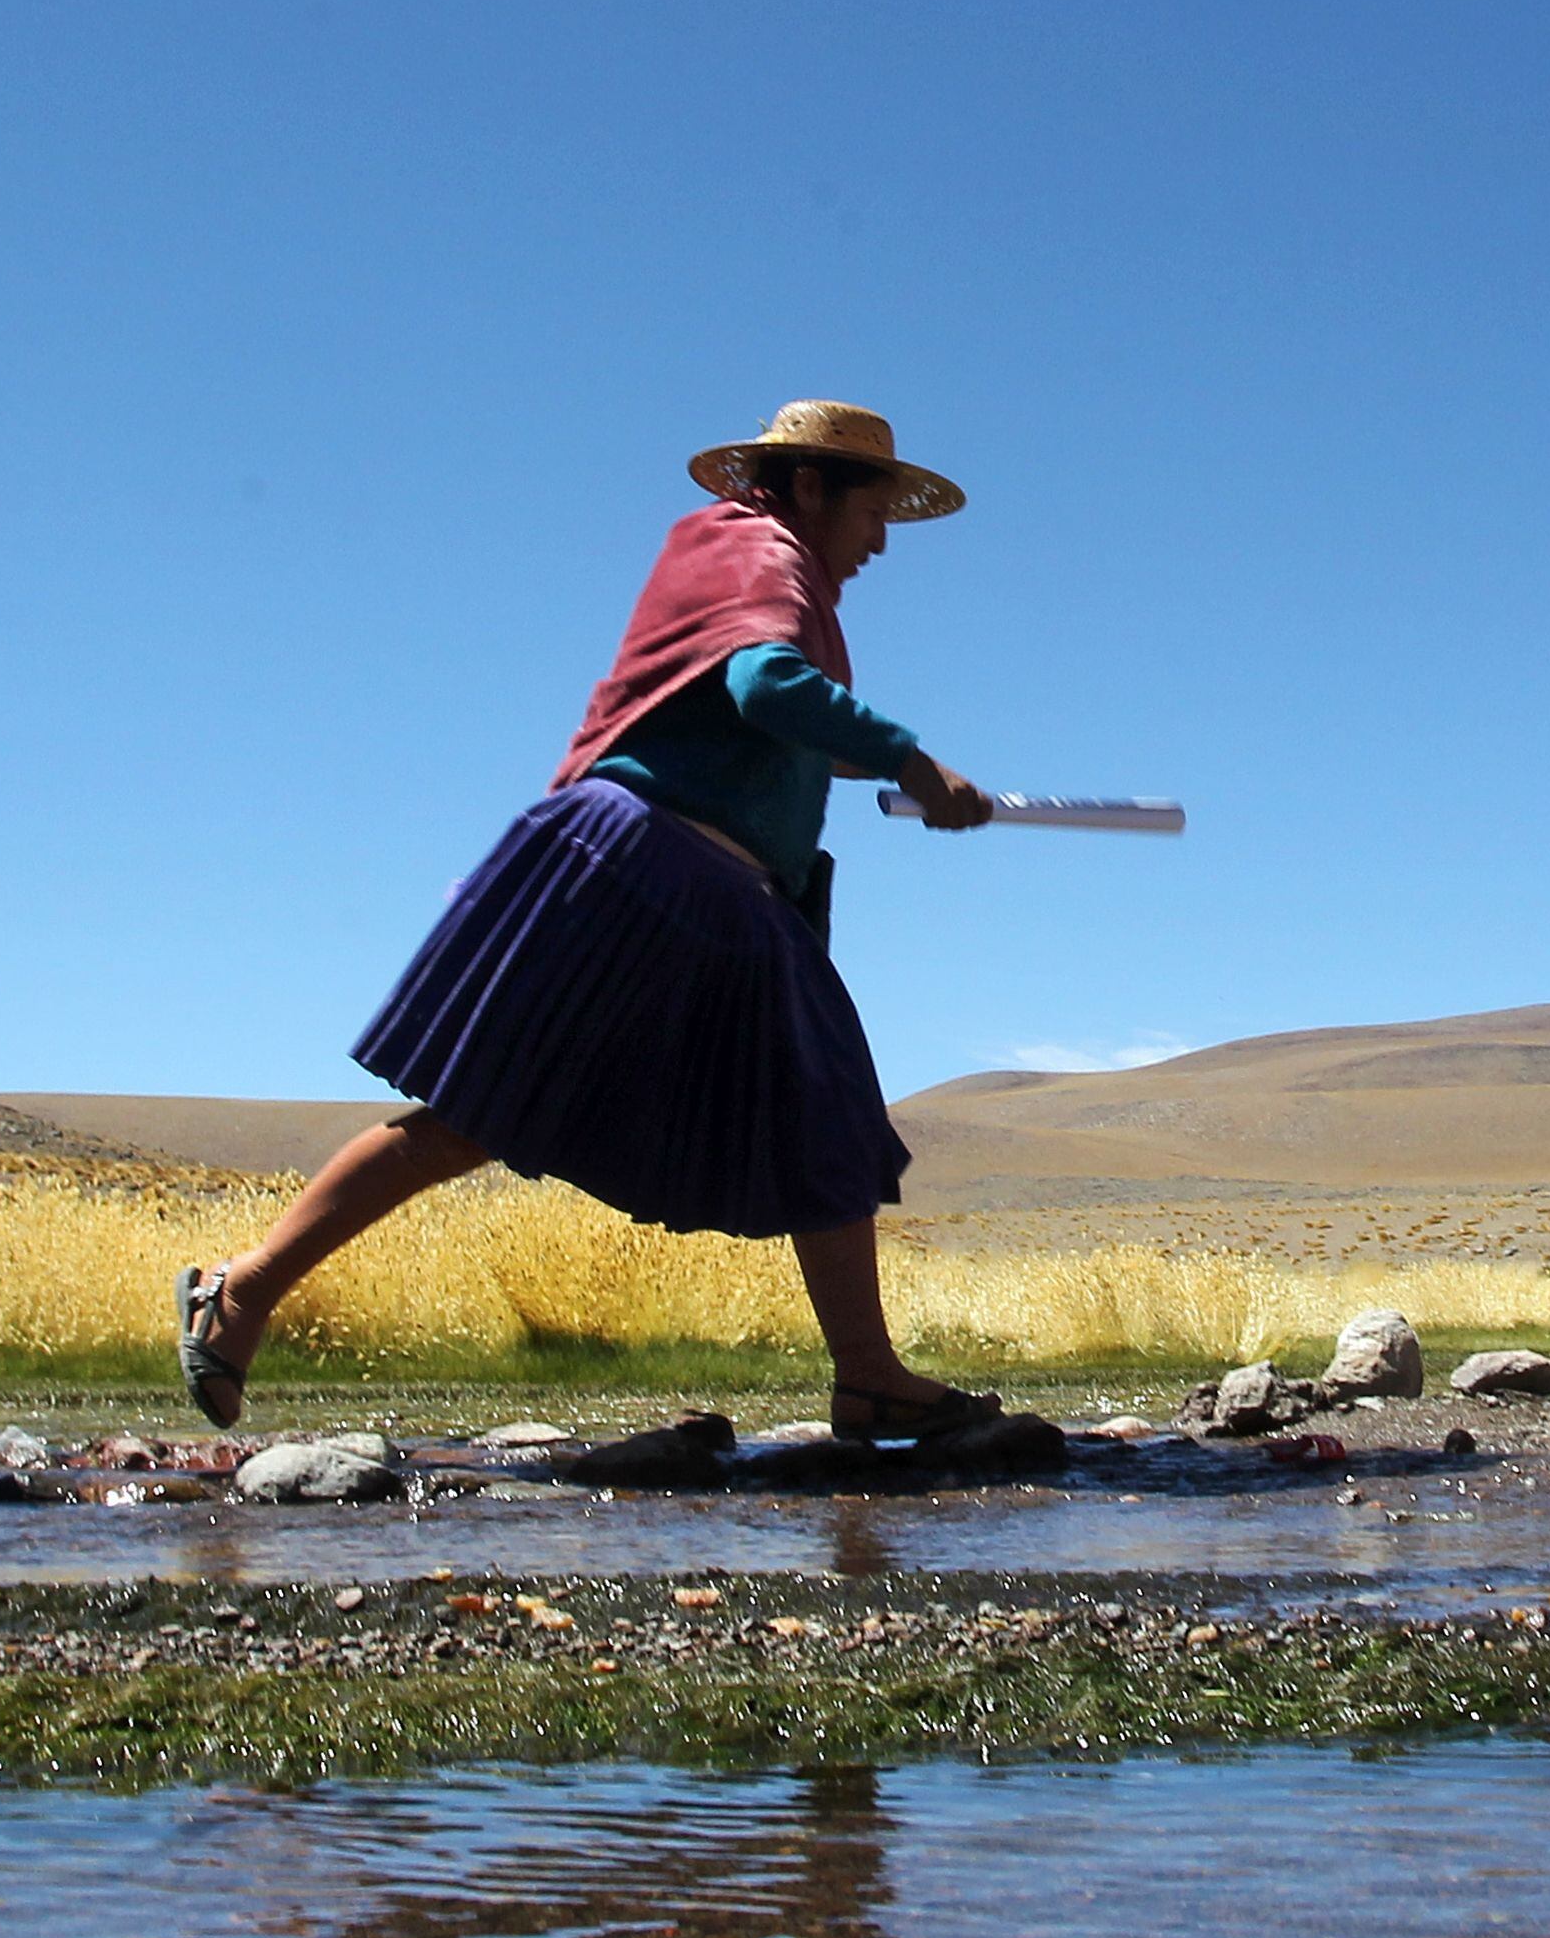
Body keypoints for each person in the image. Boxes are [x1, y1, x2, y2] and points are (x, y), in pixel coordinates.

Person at [176, 401, 1009, 1442]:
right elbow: (762, 683)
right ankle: (242, 1290)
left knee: (822, 1117)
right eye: (873, 511)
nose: (881, 540)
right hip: (644, 869)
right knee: (487, 1110)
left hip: (720, 896)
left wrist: (897, 776)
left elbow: (768, 719)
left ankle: (869, 1377)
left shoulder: (763, 568)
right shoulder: (757, 546)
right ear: (806, 489)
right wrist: (909, 758)